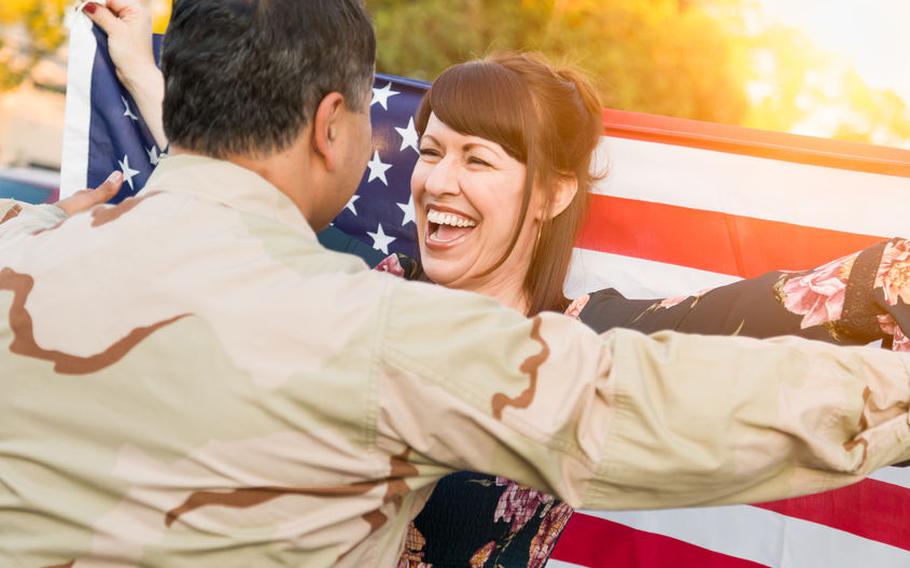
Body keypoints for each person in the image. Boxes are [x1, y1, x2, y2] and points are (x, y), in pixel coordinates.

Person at [2, 2, 910, 567]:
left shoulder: (597, 334)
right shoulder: (360, 287)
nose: (433, 179)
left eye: (480, 158)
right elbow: (240, 174)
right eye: (428, 150)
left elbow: (817, 299)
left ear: (555, 192)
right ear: (334, 128)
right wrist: (138, 68)